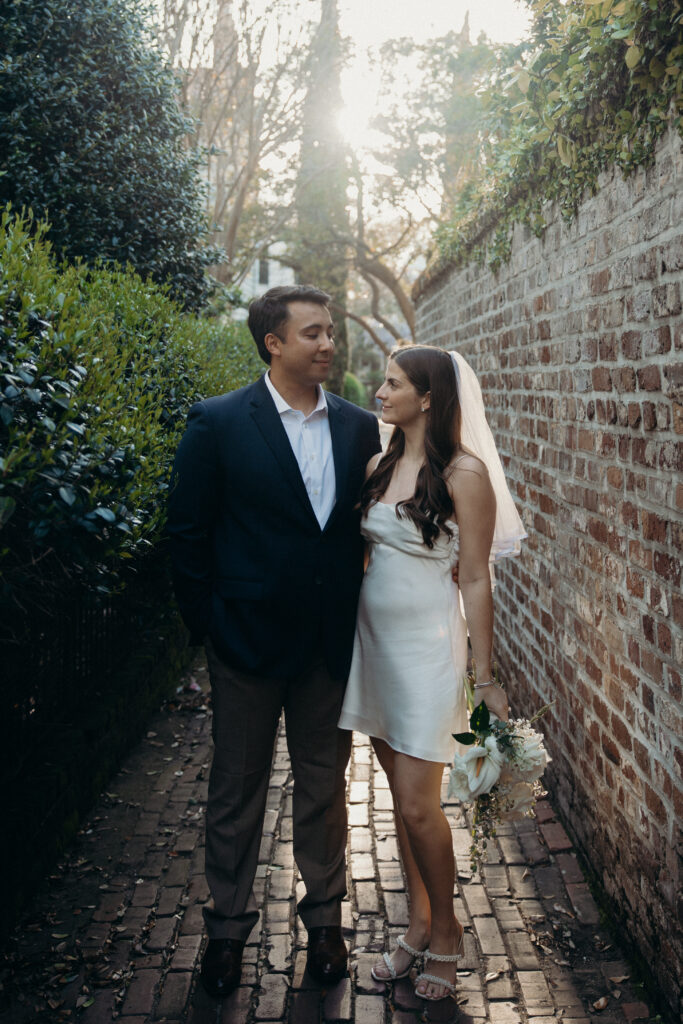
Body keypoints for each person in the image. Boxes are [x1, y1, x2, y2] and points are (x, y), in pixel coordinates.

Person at [166, 285, 381, 998]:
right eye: (313, 333)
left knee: (324, 793)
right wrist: (211, 628)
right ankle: (226, 933)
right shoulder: (219, 422)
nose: (328, 344)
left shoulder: (358, 428)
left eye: (331, 332)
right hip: (245, 647)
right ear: (274, 343)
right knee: (235, 794)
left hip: (326, 647)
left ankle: (324, 925)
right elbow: (187, 536)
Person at [338, 344, 526, 1002]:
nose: (379, 393)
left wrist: (487, 674)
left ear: (426, 398)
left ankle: (446, 933)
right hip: (374, 647)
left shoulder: (464, 474)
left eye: (391, 384)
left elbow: (474, 576)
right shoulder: (377, 463)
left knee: (422, 809)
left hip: (426, 651)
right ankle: (416, 925)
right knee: (400, 800)